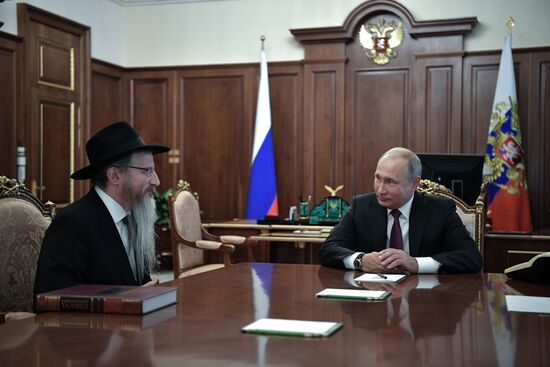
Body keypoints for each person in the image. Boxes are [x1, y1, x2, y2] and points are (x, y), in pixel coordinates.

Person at [34, 121, 170, 296]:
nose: (156, 181)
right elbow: (53, 297)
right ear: (114, 175)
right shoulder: (73, 224)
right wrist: (124, 299)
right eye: (147, 171)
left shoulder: (133, 219)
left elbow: (136, 284)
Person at [319, 147, 482, 273]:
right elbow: (328, 249)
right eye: (378, 178)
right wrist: (361, 260)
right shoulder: (361, 206)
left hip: (426, 300)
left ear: (414, 183)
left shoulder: (440, 209)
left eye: (390, 182)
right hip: (372, 301)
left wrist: (416, 264)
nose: (380, 190)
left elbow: (471, 257)